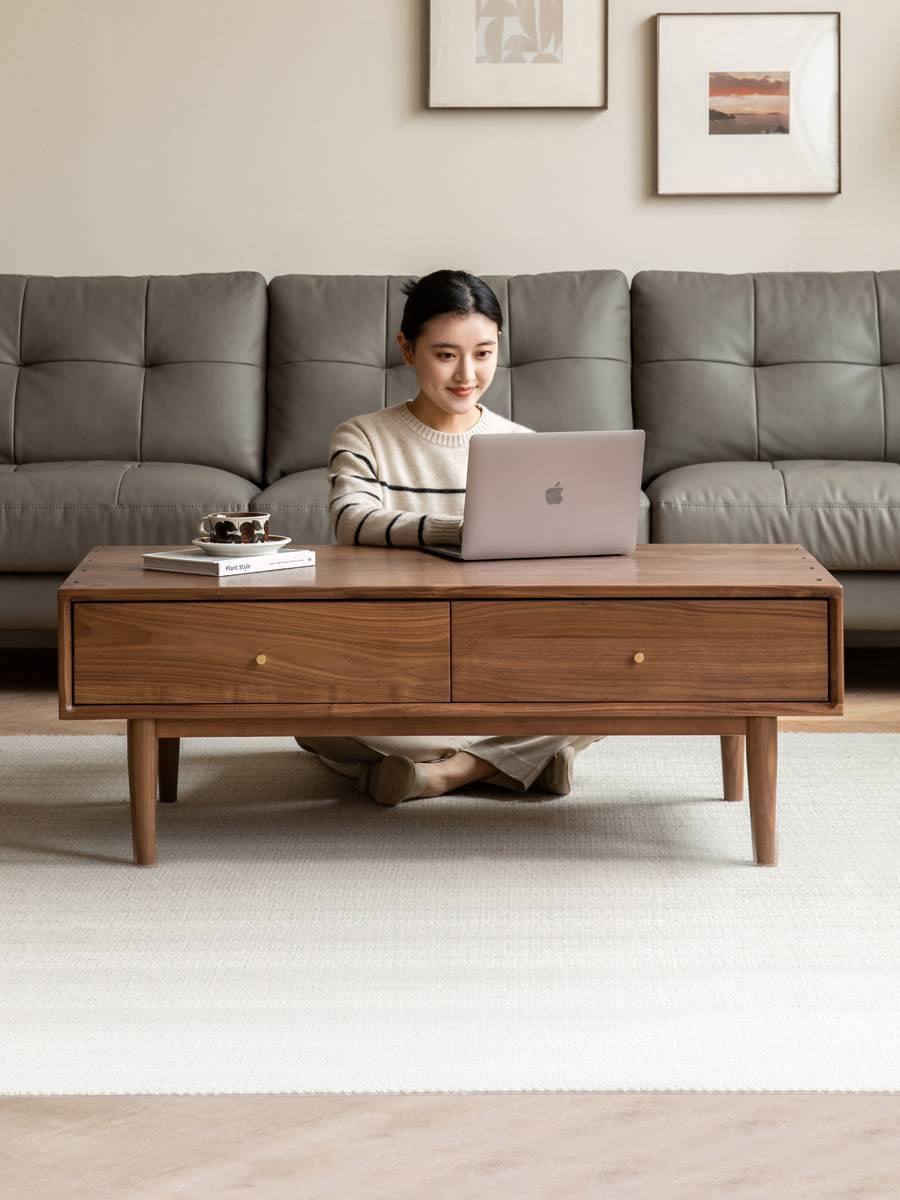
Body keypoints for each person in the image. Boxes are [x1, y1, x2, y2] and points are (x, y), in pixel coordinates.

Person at [296, 269, 603, 805]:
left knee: (610, 683)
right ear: (406, 349)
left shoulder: (522, 445)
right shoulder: (363, 434)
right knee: (305, 716)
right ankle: (526, 757)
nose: (467, 374)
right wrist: (466, 529)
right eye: (445, 355)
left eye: (484, 353)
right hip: (393, 655)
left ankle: (441, 772)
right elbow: (352, 519)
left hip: (499, 658)